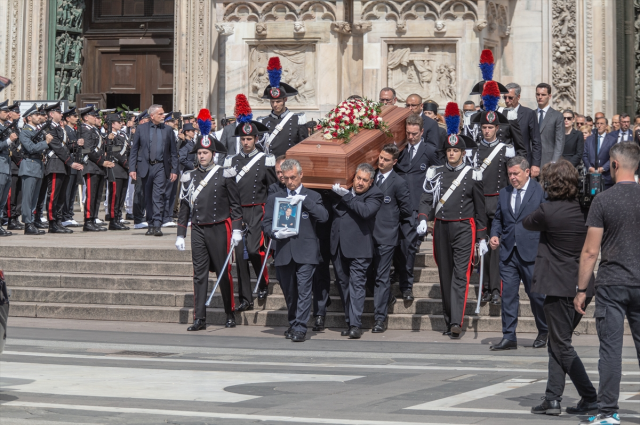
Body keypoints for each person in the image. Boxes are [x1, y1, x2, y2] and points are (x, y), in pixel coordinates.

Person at [524, 160, 597, 417]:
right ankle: (552, 398)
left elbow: (527, 222)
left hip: (558, 286)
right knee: (557, 342)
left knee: (561, 344)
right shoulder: (587, 209)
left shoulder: (547, 210)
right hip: (583, 285)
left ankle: (589, 396)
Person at [574, 142, 640, 425]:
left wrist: (580, 290)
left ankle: (608, 412)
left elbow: (590, 251)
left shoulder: (603, 200)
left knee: (611, 351)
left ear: (614, 164)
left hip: (612, 284)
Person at [418, 103, 487, 339]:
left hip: (464, 227)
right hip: (441, 227)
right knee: (445, 274)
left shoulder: (472, 174)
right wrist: (422, 217)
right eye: (449, 150)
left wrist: (482, 236)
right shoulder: (435, 173)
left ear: (463, 153)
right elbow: (427, 198)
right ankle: (449, 320)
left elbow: (480, 209)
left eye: (456, 151)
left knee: (461, 275)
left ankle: (457, 321)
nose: (451, 154)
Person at [175, 132, 243, 331]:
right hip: (197, 229)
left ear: (213, 154)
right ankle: (199, 318)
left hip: (219, 227)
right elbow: (185, 207)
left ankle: (230, 313)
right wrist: (180, 234)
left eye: (205, 152)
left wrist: (237, 229)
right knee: (199, 274)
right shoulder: (189, 176)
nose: (201, 156)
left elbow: (235, 205)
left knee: (224, 272)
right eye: (199, 153)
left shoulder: (225, 173)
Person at [263, 159, 328, 342]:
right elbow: (266, 224)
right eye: (287, 179)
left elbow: (323, 217)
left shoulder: (312, 196)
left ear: (301, 175)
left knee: (305, 290)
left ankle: (300, 327)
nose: (290, 182)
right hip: (284, 250)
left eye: (293, 177)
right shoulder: (275, 197)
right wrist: (275, 233)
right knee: (290, 292)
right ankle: (293, 322)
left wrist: (305, 202)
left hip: (306, 251)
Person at [489, 156, 548, 350]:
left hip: (532, 252)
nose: (512, 178)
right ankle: (509, 336)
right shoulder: (505, 193)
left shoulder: (538, 191)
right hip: (508, 252)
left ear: (527, 172)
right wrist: (495, 234)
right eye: (510, 174)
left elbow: (547, 219)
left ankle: (544, 330)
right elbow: (498, 218)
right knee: (508, 296)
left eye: (516, 173)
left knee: (537, 296)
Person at [225, 104, 277, 307]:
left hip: (257, 209)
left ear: (256, 139)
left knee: (255, 251)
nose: (246, 142)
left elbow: (272, 188)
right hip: (237, 212)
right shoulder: (232, 161)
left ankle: (263, 283)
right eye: (243, 139)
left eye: (249, 139)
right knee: (240, 256)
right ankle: (245, 298)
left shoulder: (266, 159)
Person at [469, 104, 516, 305]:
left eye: (490, 127)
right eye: (484, 127)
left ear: (497, 128)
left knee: (495, 246)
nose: (486, 130)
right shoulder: (474, 150)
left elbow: (512, 176)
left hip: (498, 200)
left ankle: (496, 288)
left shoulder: (506, 149)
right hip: (479, 201)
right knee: (482, 246)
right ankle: (485, 287)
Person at [330, 163, 382, 339]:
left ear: (371, 182)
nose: (360, 183)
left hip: (359, 248)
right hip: (338, 246)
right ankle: (349, 320)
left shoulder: (375, 194)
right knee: (343, 285)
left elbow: (366, 211)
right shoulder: (343, 189)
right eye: (358, 178)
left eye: (364, 180)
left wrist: (347, 197)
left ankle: (355, 324)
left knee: (357, 286)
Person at [368, 144, 412, 333]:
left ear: (394, 162)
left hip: (386, 235)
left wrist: (392, 221)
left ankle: (379, 319)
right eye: (380, 158)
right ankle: (386, 298)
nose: (381, 162)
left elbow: (406, 209)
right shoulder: (371, 176)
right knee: (369, 275)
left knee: (381, 277)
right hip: (367, 235)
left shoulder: (398, 182)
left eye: (386, 160)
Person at [394, 114, 436, 301]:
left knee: (409, 248)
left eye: (414, 134)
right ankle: (398, 276)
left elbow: (437, 180)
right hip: (396, 207)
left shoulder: (430, 151)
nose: (411, 137)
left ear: (421, 132)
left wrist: (429, 213)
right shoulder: (400, 151)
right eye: (408, 133)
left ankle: (407, 286)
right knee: (397, 247)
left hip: (415, 207)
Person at [129, 104, 178, 237]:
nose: (163, 116)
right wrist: (132, 168)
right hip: (145, 166)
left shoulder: (168, 130)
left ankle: (157, 224)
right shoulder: (141, 129)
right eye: (160, 114)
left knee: (158, 195)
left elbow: (173, 152)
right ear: (152, 116)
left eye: (163, 114)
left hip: (161, 167)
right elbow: (134, 150)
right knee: (148, 196)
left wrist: (174, 170)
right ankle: (150, 223)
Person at [43, 102, 84, 233]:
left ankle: (58, 220)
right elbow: (57, 147)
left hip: (63, 166)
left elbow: (65, 147)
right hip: (55, 165)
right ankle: (52, 222)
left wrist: (76, 145)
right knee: (53, 195)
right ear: (51, 114)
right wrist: (71, 162)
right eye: (59, 112)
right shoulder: (49, 128)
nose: (61, 114)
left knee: (61, 196)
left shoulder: (60, 129)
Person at [257, 57, 308, 158]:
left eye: (278, 101)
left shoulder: (297, 119)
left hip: (289, 163)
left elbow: (303, 145)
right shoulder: (263, 121)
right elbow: (259, 147)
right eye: (272, 102)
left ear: (285, 100)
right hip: (271, 167)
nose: (275, 105)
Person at [18, 105, 52, 235]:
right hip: (29, 166)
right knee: (28, 197)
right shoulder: (25, 131)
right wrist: (45, 143)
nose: (39, 117)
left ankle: (32, 221)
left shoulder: (38, 131)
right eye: (36, 115)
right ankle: (28, 223)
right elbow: (31, 148)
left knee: (35, 198)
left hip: (37, 166)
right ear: (29, 117)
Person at [103, 114, 130, 230]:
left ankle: (118, 218)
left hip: (123, 170)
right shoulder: (108, 137)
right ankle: (113, 220)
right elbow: (114, 153)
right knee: (115, 196)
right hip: (116, 168)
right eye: (119, 122)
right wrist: (127, 164)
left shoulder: (122, 136)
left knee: (122, 196)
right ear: (113, 124)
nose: (121, 124)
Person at [60, 108, 84, 228]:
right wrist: (76, 144)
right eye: (74, 116)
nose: (76, 118)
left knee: (73, 190)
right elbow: (66, 147)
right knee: (68, 191)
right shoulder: (67, 131)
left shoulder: (74, 130)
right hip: (70, 164)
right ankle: (66, 215)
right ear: (68, 118)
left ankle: (69, 214)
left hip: (76, 163)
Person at [5, 102, 24, 231]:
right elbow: (12, 147)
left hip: (19, 165)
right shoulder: (7, 128)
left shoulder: (16, 128)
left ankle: (15, 217)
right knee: (11, 195)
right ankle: (10, 218)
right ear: (10, 114)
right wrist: (20, 162)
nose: (19, 114)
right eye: (16, 112)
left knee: (18, 194)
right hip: (13, 164)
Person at [535, 83, 565, 167]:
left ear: (549, 96)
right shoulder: (531, 114)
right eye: (538, 94)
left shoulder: (557, 116)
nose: (540, 97)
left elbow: (559, 141)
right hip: (532, 163)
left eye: (543, 95)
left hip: (549, 162)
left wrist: (554, 162)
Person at [583, 116, 615, 190]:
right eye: (597, 123)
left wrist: (603, 168)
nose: (599, 125)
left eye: (601, 123)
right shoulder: (589, 139)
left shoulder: (612, 140)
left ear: (606, 126)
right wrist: (590, 168)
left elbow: (613, 157)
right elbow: (584, 155)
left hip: (606, 178)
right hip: (591, 176)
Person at [0, 100, 17, 236]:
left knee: (3, 199)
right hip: (1, 167)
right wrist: (9, 141)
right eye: (5, 112)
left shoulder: (6, 127)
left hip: (6, 167)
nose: (8, 114)